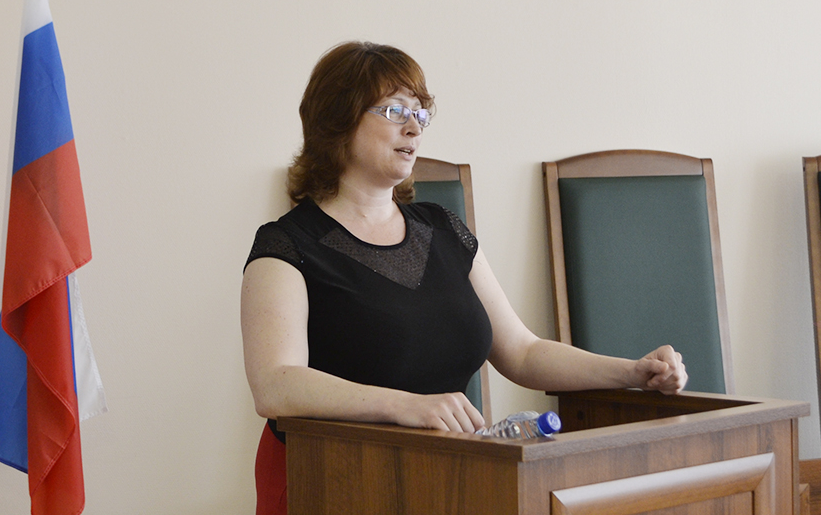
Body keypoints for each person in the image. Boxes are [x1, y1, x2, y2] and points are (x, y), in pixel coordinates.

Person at [240, 41, 687, 515]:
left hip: (447, 476)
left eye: (420, 113)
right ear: (337, 120)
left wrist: (630, 372)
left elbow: (523, 352)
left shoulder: (443, 229)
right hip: (331, 478)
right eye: (394, 110)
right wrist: (404, 405)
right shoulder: (287, 244)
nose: (414, 127)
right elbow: (276, 385)